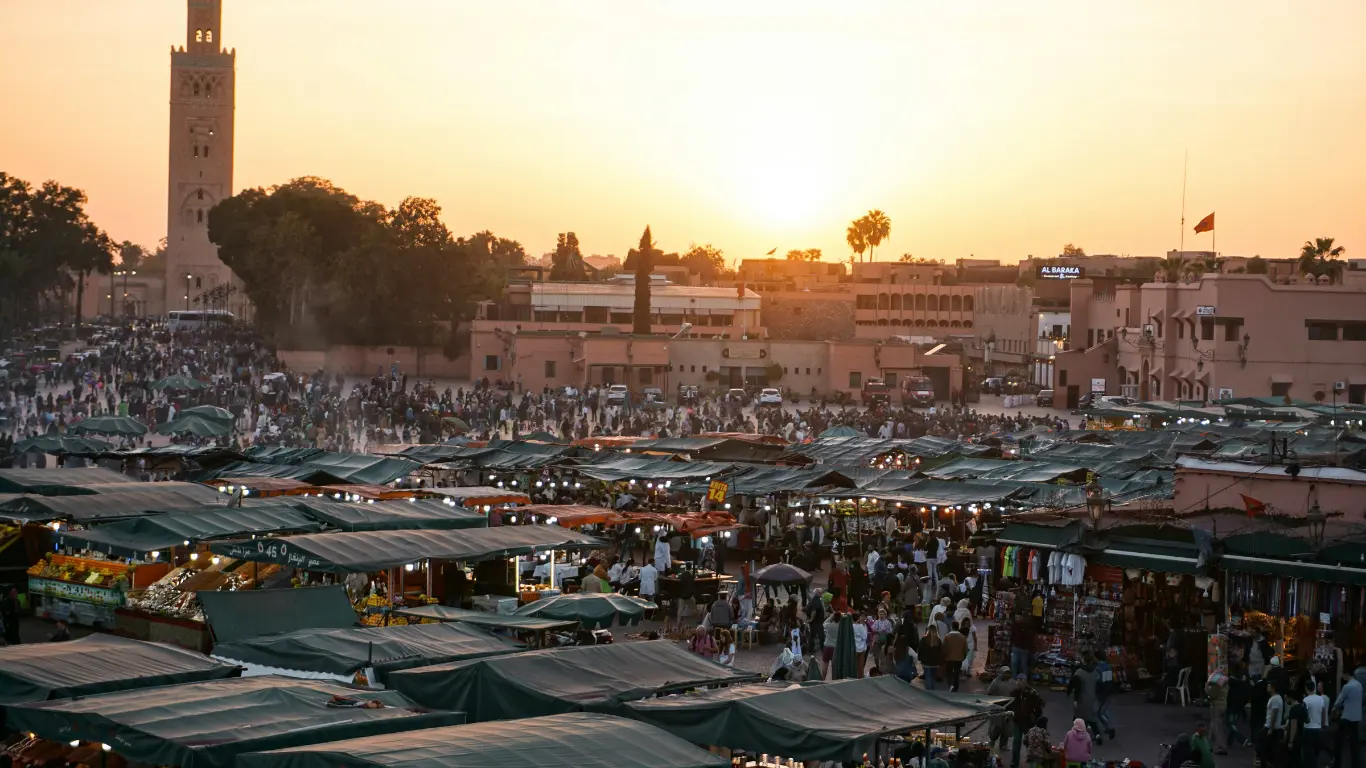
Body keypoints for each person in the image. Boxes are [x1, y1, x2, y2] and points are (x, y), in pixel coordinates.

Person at [1009, 675, 1046, 768]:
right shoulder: (1014, 693)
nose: (1018, 682)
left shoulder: (1032, 692)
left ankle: (1031, 761)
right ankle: (1014, 761)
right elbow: (1010, 705)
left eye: (1020, 680)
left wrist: (1035, 716)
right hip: (1017, 720)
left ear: (1025, 682)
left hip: (1028, 723)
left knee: (1030, 743)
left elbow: (1040, 703)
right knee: (1016, 741)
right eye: (1017, 680)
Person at [1334, 667, 1363, 768]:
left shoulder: (1347, 687)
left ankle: (1337, 763)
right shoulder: (1359, 685)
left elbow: (1339, 701)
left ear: (1346, 674)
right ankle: (1355, 764)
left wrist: (1335, 708)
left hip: (1347, 717)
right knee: (1354, 742)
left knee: (1338, 739)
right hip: (1357, 717)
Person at [1068, 651, 1100, 743]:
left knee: (1079, 719)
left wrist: (1074, 697)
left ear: (1083, 659)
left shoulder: (1079, 672)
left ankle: (1080, 737)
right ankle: (1097, 734)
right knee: (1092, 719)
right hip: (1092, 698)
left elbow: (1074, 685)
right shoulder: (1095, 671)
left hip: (1082, 699)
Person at [986, 667, 1015, 752]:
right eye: (1005, 673)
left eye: (1008, 673)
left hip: (1009, 708)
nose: (1007, 675)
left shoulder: (1013, 682)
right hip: (997, 708)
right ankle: (992, 741)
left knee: (1007, 728)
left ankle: (1003, 745)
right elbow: (989, 693)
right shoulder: (995, 682)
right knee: (995, 727)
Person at [1305, 681, 1330, 768]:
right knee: (1316, 750)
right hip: (1318, 728)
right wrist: (1322, 725)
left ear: (1306, 688)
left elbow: (1305, 715)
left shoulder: (1305, 700)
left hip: (1308, 728)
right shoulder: (1320, 699)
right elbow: (1323, 713)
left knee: (1308, 752)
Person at [1206, 670, 1230, 755]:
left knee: (1217, 728)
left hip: (1216, 707)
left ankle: (1221, 746)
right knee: (1215, 726)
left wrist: (1207, 686)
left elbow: (1211, 694)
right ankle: (1210, 744)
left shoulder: (1216, 686)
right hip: (1223, 706)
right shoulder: (1225, 685)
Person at [1263, 680, 1287, 767]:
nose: (1267, 687)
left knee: (1265, 748)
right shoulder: (1276, 698)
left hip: (1271, 726)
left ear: (1273, 688)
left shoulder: (1275, 699)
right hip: (1271, 726)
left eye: (1269, 686)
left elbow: (1274, 713)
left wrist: (1271, 728)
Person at [942, 619, 968, 691]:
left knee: (949, 673)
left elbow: (944, 648)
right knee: (956, 673)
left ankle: (950, 684)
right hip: (959, 658)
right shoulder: (963, 638)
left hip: (949, 658)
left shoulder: (947, 637)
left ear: (951, 627)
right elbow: (965, 649)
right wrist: (963, 656)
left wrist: (945, 655)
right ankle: (955, 686)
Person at [1011, 612, 1035, 679]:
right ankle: (1023, 681)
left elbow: (1013, 635)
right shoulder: (1029, 626)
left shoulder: (1016, 625)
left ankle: (1015, 679)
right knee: (1023, 665)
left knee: (1014, 664)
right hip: (1024, 648)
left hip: (1017, 647)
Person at [919, 624, 943, 690]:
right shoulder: (939, 640)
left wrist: (920, 659)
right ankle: (932, 690)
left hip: (926, 662)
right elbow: (941, 652)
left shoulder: (923, 639)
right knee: (933, 677)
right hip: (935, 663)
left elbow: (920, 650)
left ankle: (929, 692)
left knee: (928, 677)